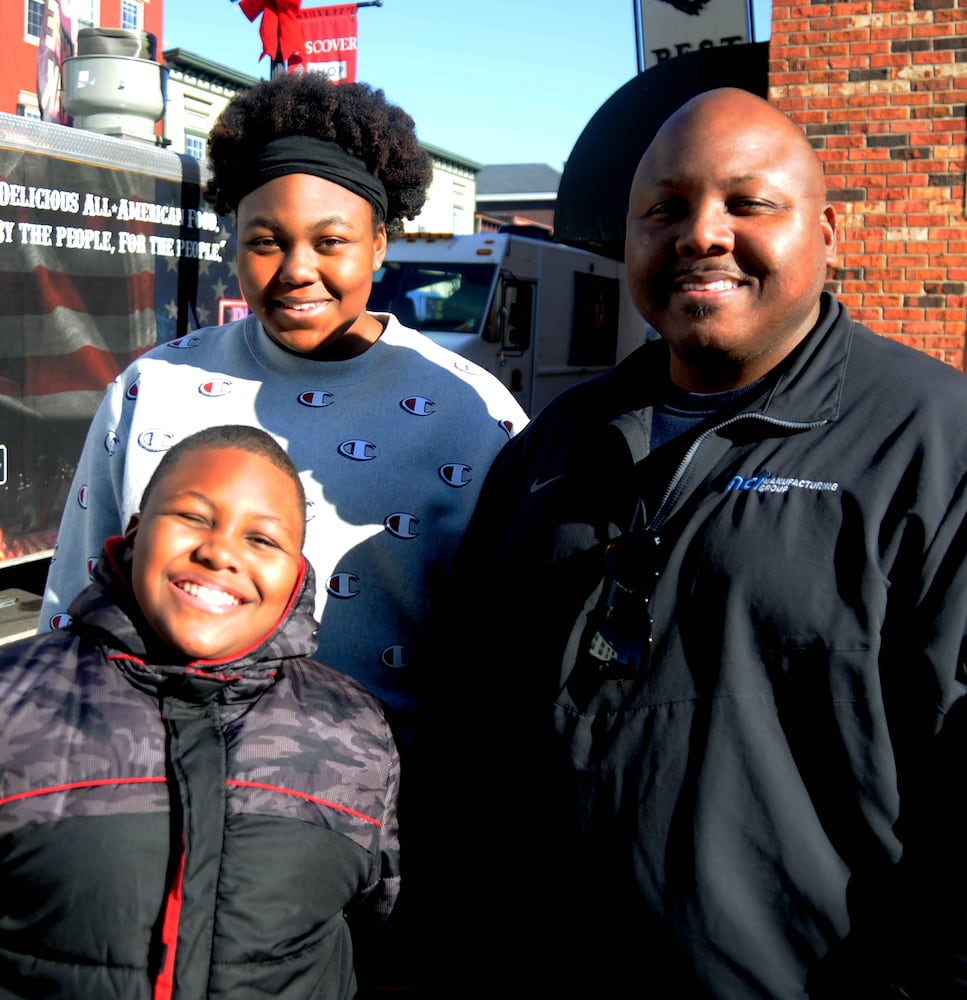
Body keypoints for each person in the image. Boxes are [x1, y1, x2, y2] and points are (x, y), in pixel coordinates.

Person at [426, 88, 967, 997]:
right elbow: (467, 720)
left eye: (746, 204)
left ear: (828, 232)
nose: (700, 235)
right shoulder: (551, 451)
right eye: (663, 210)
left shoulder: (931, 446)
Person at [38, 72, 528, 742]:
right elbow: (74, 602)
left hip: (388, 810)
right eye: (266, 241)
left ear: (379, 243)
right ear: (234, 244)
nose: (297, 268)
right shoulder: (153, 385)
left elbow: (507, 652)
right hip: (155, 790)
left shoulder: (473, 416)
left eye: (330, 241)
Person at [0, 424, 400, 998]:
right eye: (192, 517)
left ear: (297, 573)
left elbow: (374, 928)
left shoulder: (356, 734)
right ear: (134, 531)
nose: (219, 552)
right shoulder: (13, 706)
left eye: (262, 540)